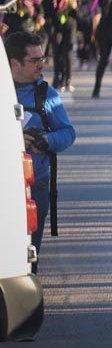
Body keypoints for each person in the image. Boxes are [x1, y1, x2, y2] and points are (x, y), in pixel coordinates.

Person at [6, 31, 76, 273]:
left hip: (35, 185)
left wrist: (46, 140)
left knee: (29, 255)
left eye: (42, 58)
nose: (41, 65)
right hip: (5, 186)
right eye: (34, 61)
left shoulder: (47, 95)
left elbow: (68, 133)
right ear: (14, 64)